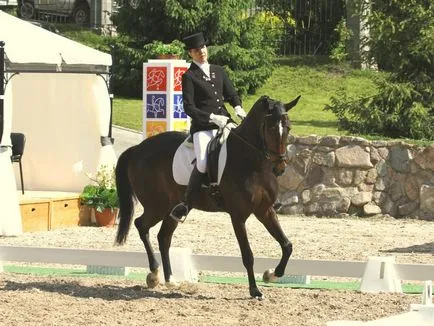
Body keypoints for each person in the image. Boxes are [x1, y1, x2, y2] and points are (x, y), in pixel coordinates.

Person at [169, 32, 246, 222]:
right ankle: (186, 204)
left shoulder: (218, 70)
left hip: (225, 123)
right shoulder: (189, 76)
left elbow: (231, 93)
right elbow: (189, 107)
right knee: (203, 161)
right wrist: (211, 117)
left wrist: (237, 107)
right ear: (191, 54)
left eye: (203, 48)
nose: (201, 52)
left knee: (245, 148)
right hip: (203, 127)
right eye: (196, 50)